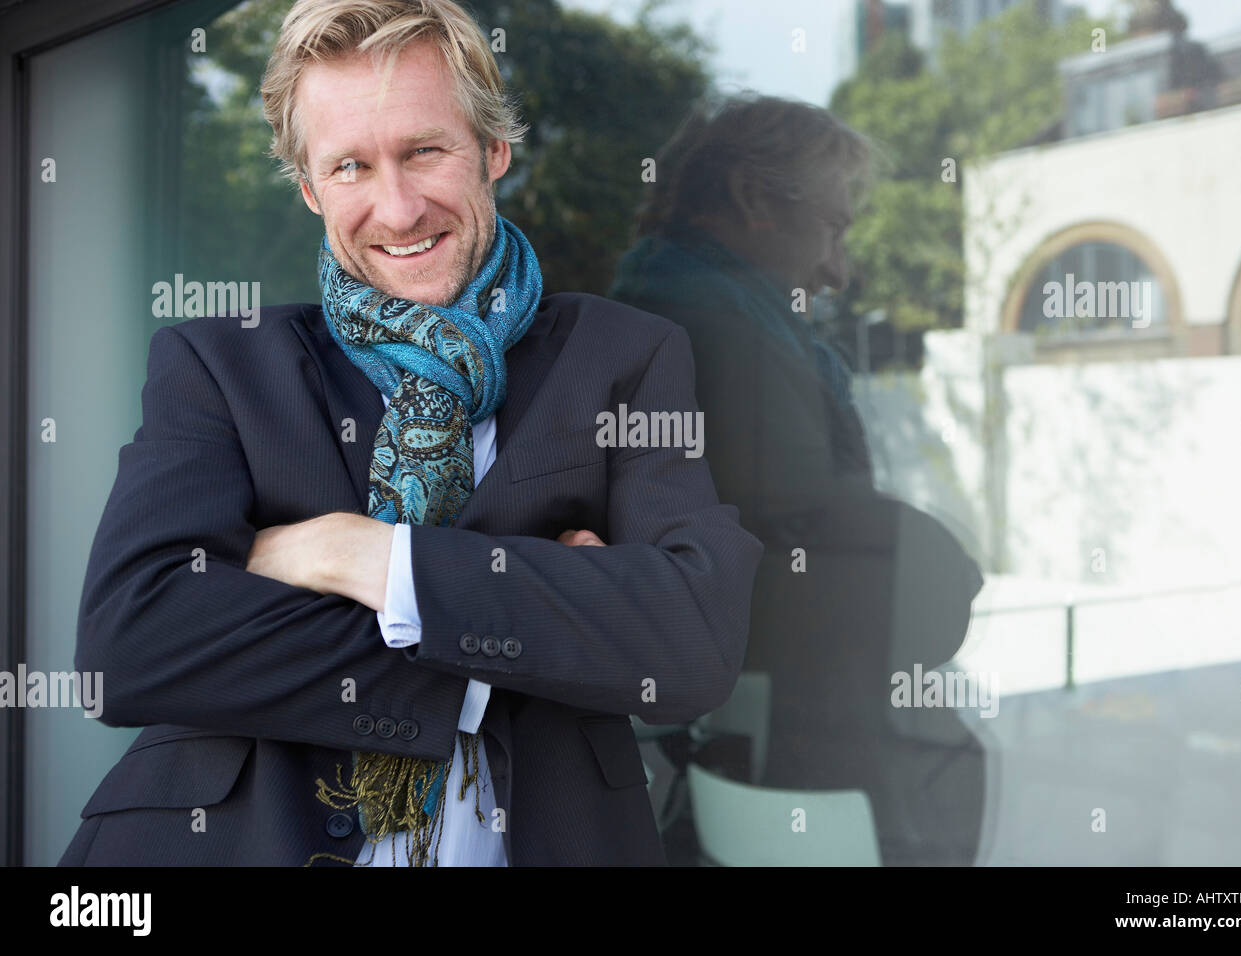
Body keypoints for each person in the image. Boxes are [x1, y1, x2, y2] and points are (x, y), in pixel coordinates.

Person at [59, 0, 760, 867]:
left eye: (424, 151)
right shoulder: (220, 366)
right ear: (312, 189)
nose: (396, 210)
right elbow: (130, 645)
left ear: (493, 150)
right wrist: (548, 613)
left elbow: (692, 641)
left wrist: (357, 558)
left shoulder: (623, 356)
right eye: (351, 167)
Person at [608, 94, 986, 865]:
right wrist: (942, 573)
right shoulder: (723, 340)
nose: (839, 272)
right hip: (802, 762)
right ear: (753, 199)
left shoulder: (680, 317)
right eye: (832, 229)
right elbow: (804, 573)